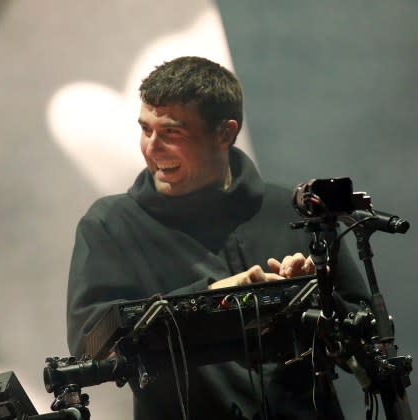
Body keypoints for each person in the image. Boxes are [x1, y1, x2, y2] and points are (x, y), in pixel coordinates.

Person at [66, 56, 369, 420]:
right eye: (146, 129)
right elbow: (90, 345)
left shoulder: (295, 210)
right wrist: (213, 299)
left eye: (172, 133)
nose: (152, 147)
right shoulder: (110, 224)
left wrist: (312, 296)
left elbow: (363, 333)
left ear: (225, 133)